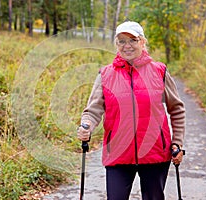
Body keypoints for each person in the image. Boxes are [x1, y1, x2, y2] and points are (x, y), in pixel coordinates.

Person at [77, 21, 185, 200]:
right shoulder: (105, 75)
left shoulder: (159, 71)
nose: (127, 45)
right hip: (118, 152)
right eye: (121, 41)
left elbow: (177, 109)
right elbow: (93, 110)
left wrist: (178, 142)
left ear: (142, 42)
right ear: (116, 44)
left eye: (132, 40)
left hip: (155, 153)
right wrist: (86, 125)